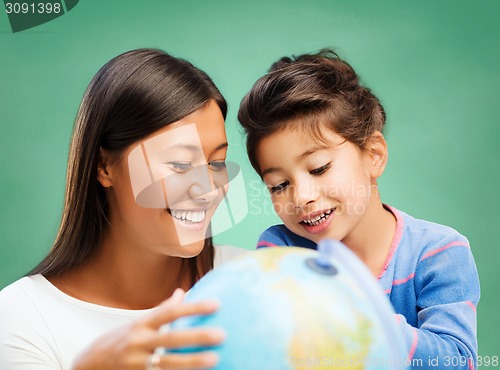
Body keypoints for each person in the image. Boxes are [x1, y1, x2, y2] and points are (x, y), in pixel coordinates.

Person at [0, 48, 245, 370]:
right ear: (104, 166)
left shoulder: (253, 279)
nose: (207, 188)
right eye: (180, 164)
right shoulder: (23, 317)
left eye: (216, 163)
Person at [237, 49, 480, 369]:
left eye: (319, 168)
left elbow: (458, 361)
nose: (301, 197)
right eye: (279, 185)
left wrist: (356, 313)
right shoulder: (281, 250)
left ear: (374, 154)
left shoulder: (438, 252)